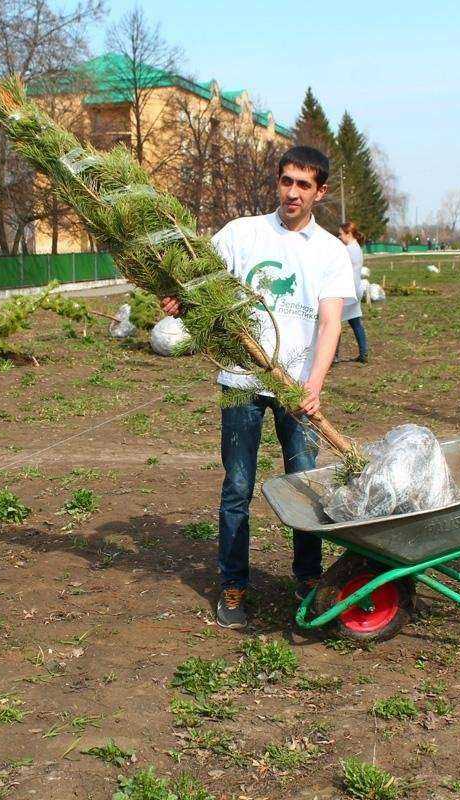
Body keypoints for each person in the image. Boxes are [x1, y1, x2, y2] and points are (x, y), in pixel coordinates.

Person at [161, 146, 356, 629]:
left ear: (320, 192)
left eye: (304, 185)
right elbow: (198, 285)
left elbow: (330, 324)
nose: (293, 192)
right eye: (287, 181)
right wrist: (181, 303)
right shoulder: (242, 234)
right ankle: (233, 584)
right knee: (238, 487)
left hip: (295, 389)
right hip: (240, 381)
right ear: (278, 182)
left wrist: (313, 385)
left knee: (306, 486)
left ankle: (309, 580)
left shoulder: (330, 251)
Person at [337, 221, 368, 364]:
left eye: (340, 234)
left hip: (347, 291)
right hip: (355, 290)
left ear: (348, 234)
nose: (339, 237)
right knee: (355, 322)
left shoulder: (348, 250)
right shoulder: (356, 248)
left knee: (334, 323)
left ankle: (333, 355)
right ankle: (363, 353)